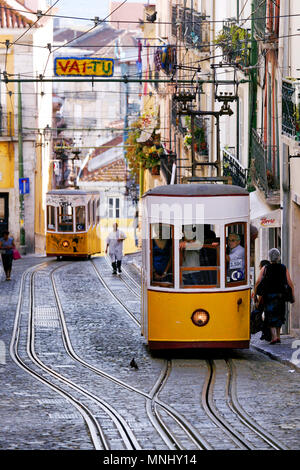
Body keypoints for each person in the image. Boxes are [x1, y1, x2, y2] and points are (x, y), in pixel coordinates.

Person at [254, 248, 295, 345]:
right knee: (280, 315)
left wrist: (255, 293)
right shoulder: (283, 268)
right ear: (279, 257)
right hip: (280, 296)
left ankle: (274, 337)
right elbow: (290, 283)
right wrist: (292, 294)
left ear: (269, 257)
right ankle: (278, 336)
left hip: (269, 296)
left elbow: (258, 282)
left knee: (270, 315)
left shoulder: (266, 268)